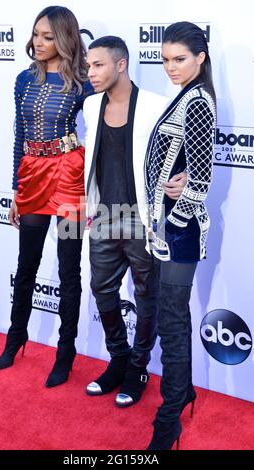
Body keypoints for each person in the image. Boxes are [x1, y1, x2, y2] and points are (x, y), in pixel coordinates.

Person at [0, 6, 93, 388]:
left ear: (65, 39)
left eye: (48, 36)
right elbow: (19, 135)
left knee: (69, 268)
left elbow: (104, 129)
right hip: (33, 175)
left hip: (69, 177)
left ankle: (65, 351)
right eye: (36, 34)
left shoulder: (84, 83)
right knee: (27, 262)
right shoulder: (23, 79)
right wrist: (17, 189)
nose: (39, 42)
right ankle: (16, 337)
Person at [83, 36, 187, 407]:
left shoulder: (157, 106)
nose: (90, 72)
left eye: (98, 65)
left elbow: (184, 147)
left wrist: (188, 175)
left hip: (144, 220)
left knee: (146, 296)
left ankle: (138, 368)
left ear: (121, 64)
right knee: (102, 290)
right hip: (106, 217)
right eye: (88, 65)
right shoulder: (91, 105)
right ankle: (119, 358)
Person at [145, 22, 216, 449]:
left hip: (180, 230)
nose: (170, 67)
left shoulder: (198, 101)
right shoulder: (185, 95)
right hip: (168, 227)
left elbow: (203, 177)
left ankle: (168, 417)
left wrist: (181, 204)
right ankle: (183, 390)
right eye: (166, 59)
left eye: (180, 59)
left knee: (170, 320)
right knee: (171, 316)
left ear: (200, 58)